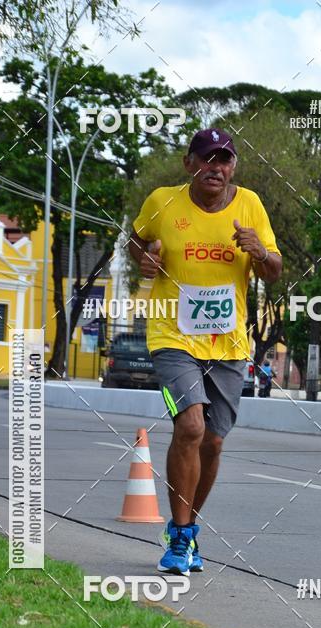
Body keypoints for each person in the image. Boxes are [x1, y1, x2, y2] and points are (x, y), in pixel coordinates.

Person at [129, 127, 282, 575]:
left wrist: (259, 252)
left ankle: (188, 529)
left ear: (233, 166)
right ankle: (178, 539)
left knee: (213, 442)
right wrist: (146, 257)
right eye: (207, 158)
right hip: (172, 336)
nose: (216, 167)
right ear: (189, 163)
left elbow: (273, 271)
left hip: (229, 341)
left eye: (225, 159)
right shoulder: (162, 201)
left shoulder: (250, 204)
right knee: (191, 426)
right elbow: (137, 240)